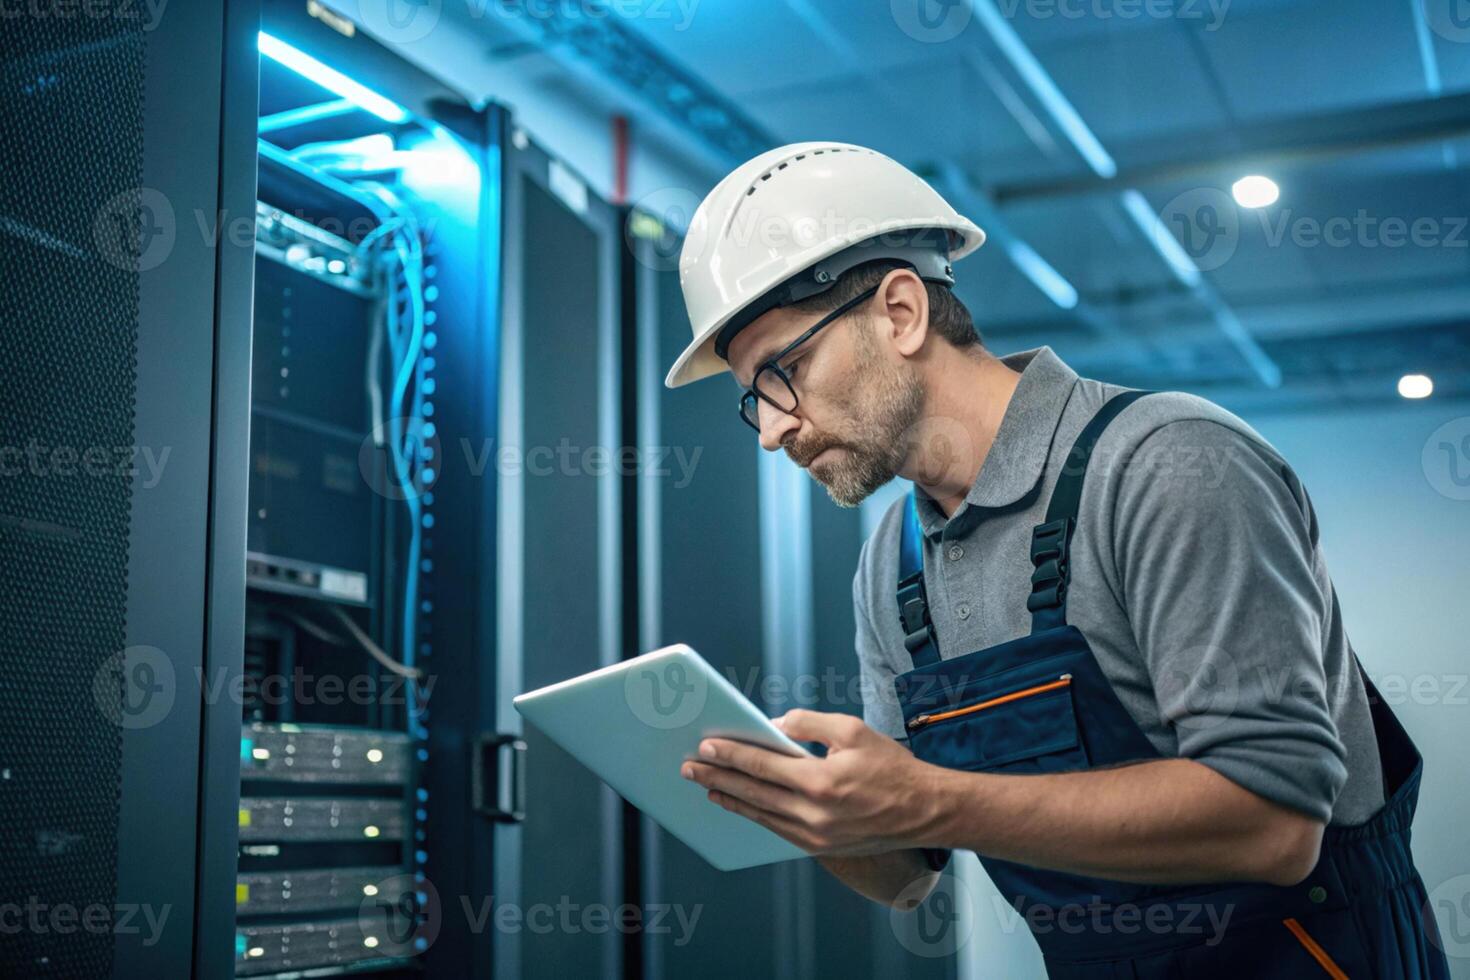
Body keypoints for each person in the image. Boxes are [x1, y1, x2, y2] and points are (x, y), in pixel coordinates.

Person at [664, 141, 1449, 978]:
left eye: (785, 372)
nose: (776, 429)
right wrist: (797, 806)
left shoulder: (1168, 463)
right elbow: (904, 869)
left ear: (900, 313)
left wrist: (931, 796)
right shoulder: (892, 566)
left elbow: (1276, 820)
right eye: (757, 399)